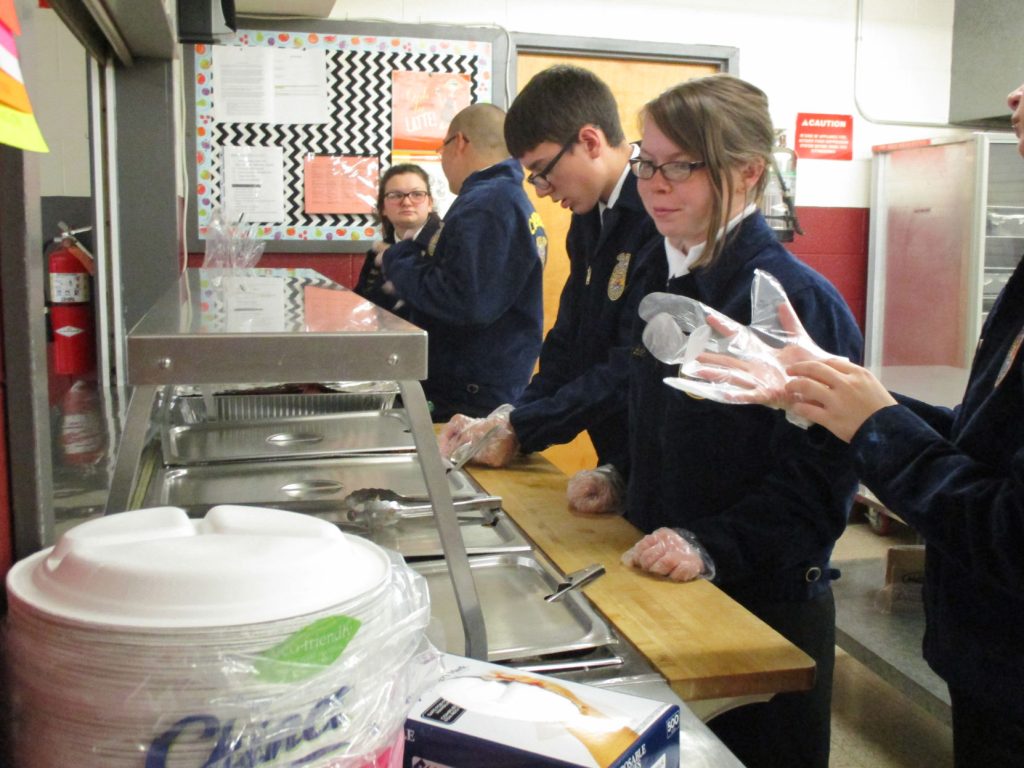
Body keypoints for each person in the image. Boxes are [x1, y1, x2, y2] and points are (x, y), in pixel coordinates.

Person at [734, 82, 1024, 768]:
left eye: (677, 165)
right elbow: (983, 441)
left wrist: (877, 429)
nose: (1011, 91)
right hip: (985, 664)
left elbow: (1011, 531)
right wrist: (842, 399)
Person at [618, 74, 864, 768]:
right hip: (671, 593)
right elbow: (665, 422)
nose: (655, 184)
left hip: (761, 613)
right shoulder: (667, 277)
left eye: (681, 166)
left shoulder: (794, 304)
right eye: (648, 161)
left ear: (748, 172)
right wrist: (621, 475)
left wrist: (707, 542)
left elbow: (819, 487)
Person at [437, 65, 660, 513]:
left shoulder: (657, 214)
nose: (540, 192)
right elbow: (569, 342)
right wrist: (509, 417)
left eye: (542, 171)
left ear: (590, 142)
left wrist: (526, 427)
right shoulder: (586, 219)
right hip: (621, 457)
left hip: (658, 453)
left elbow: (631, 364)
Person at [380, 104, 547, 421]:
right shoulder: (504, 198)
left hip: (471, 395)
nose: (441, 161)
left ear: (459, 142)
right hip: (482, 386)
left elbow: (465, 300)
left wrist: (397, 257)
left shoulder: (487, 204)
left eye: (440, 149)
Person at [354, 163, 441, 316]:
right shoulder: (376, 253)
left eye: (417, 194)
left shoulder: (447, 244)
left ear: (430, 203)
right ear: (383, 208)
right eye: (395, 195)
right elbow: (363, 303)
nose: (406, 202)